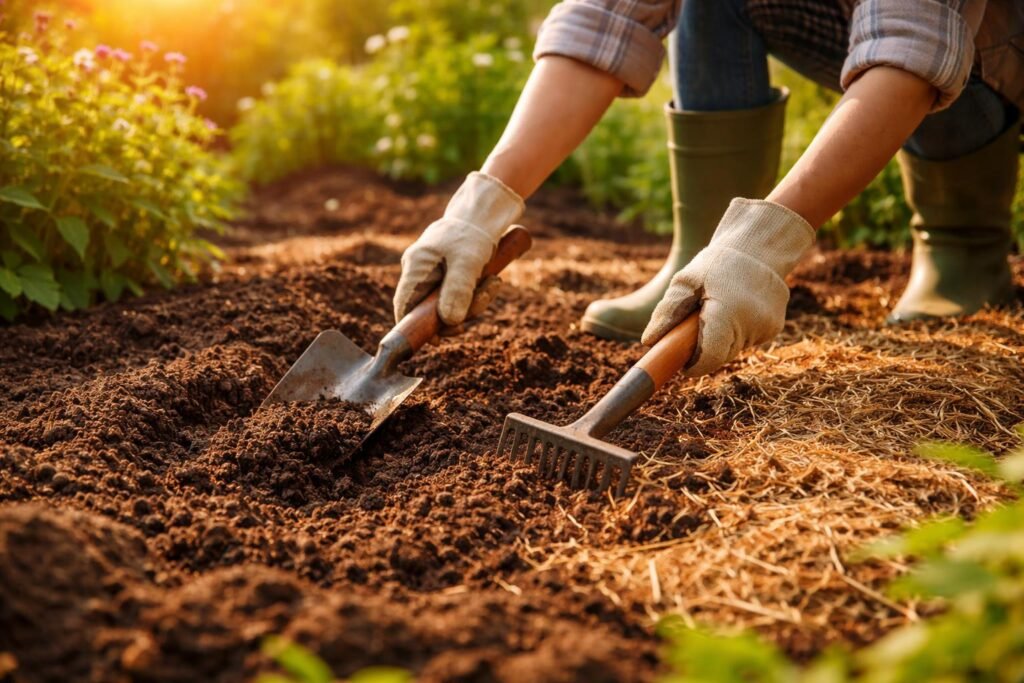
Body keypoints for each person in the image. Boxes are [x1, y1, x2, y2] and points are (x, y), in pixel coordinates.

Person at [393, 0, 1022, 377]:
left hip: (987, 58)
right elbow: (603, 20)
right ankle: (704, 261)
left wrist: (762, 249)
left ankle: (963, 247)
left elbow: (913, 48)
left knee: (950, 48)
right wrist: (480, 207)